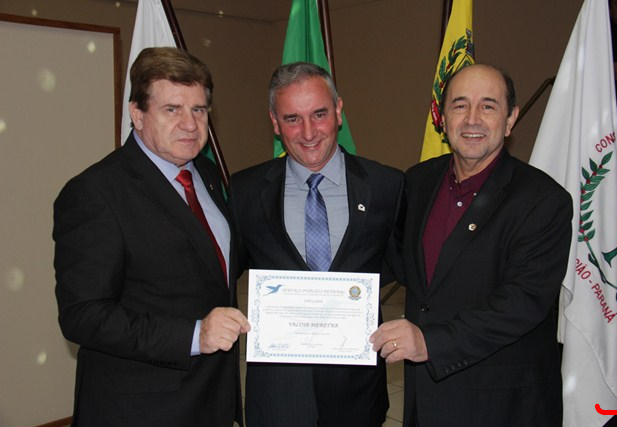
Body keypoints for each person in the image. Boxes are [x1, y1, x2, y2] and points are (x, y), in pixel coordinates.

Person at [54, 47, 250, 426]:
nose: (190, 125)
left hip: (211, 397)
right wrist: (195, 335)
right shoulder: (96, 192)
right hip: (141, 408)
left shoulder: (206, 174)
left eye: (199, 110)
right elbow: (83, 315)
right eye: (172, 109)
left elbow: (214, 267)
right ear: (137, 114)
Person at [370, 64, 573, 426]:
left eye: (488, 106)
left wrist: (430, 342)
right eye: (460, 105)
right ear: (442, 117)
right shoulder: (418, 181)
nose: (472, 119)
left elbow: (523, 301)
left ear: (510, 119)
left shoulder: (543, 200)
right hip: (425, 398)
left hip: (501, 403)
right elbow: (397, 260)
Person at [228, 62, 404, 427]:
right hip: (278, 394)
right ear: (275, 123)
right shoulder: (245, 191)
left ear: (339, 111)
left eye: (319, 114)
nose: (308, 132)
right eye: (292, 119)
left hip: (357, 391)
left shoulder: (387, 185)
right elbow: (223, 273)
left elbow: (401, 266)